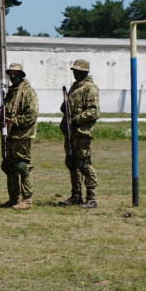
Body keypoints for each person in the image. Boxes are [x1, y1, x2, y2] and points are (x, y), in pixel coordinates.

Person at [59, 59, 100, 209]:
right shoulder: (74, 87)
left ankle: (91, 196)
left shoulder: (90, 88)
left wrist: (75, 119)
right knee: (72, 163)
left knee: (84, 164)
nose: (74, 73)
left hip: (82, 133)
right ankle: (76, 194)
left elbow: (93, 111)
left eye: (77, 71)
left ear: (84, 72)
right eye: (74, 70)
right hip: (71, 133)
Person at [0, 62, 39, 210]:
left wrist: (13, 121)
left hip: (22, 135)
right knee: (9, 166)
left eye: (15, 73)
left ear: (21, 75)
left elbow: (31, 115)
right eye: (10, 74)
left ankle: (26, 200)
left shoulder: (28, 92)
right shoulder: (11, 91)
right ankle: (13, 198)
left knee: (22, 166)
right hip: (9, 135)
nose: (12, 76)